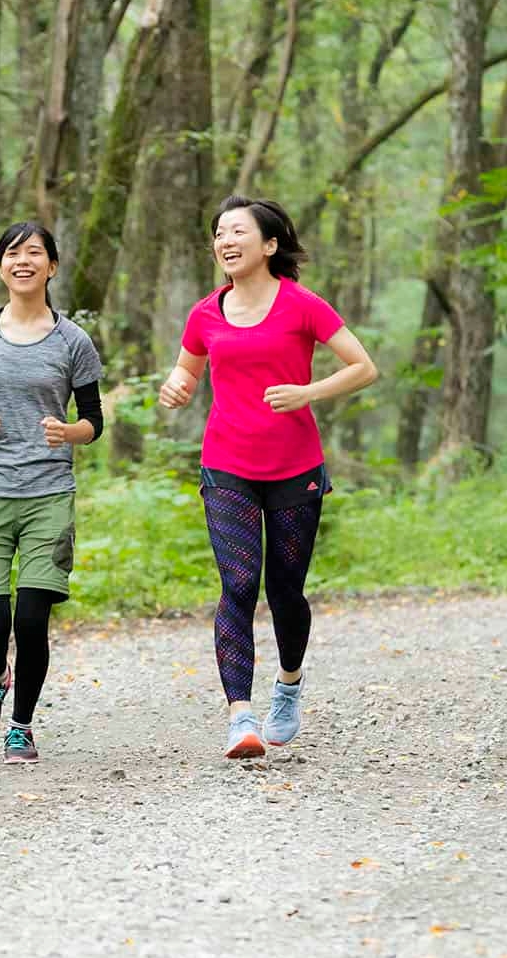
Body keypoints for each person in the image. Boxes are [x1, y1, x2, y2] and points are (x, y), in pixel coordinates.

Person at [157, 196, 378, 760]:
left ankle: (288, 684)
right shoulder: (206, 312)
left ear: (270, 244)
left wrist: (308, 392)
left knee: (284, 591)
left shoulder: (303, 306)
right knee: (237, 583)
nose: (225, 241)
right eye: (219, 234)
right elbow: (185, 372)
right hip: (227, 462)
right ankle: (240, 716)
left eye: (238, 232)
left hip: (295, 466)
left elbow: (363, 366)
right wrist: (176, 388)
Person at [0, 221, 105, 767]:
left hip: (47, 493)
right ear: (0, 266)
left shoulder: (72, 340)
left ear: (52, 267)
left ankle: (22, 725)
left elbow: (95, 420)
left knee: (32, 619)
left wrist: (70, 432)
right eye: (13, 253)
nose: (23, 261)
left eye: (35, 253)